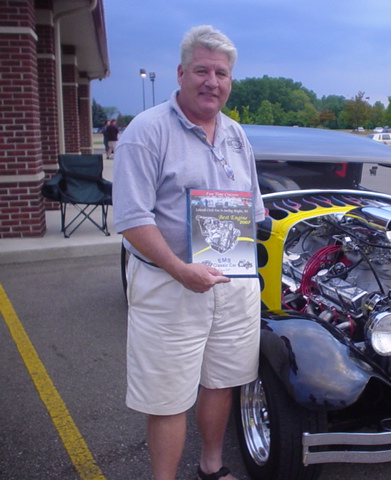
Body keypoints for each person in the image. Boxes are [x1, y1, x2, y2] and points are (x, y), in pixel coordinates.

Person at [112, 25, 264, 480]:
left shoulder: (237, 135)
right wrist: (180, 269)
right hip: (169, 284)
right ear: (180, 73)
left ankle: (211, 467)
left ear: (230, 80)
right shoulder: (147, 132)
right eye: (201, 70)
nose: (211, 81)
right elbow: (133, 220)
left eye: (221, 72)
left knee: (222, 382)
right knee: (168, 395)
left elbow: (253, 209)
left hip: (231, 285)